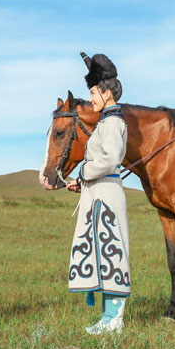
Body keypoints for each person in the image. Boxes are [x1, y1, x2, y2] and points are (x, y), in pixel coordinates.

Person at [65, 52, 131, 334]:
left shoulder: (113, 123)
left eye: (93, 93)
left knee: (111, 252)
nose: (91, 98)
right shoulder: (106, 121)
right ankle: (108, 318)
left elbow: (110, 159)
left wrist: (82, 172)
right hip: (99, 192)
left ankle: (114, 320)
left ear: (106, 93)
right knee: (102, 253)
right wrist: (81, 182)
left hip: (107, 195)